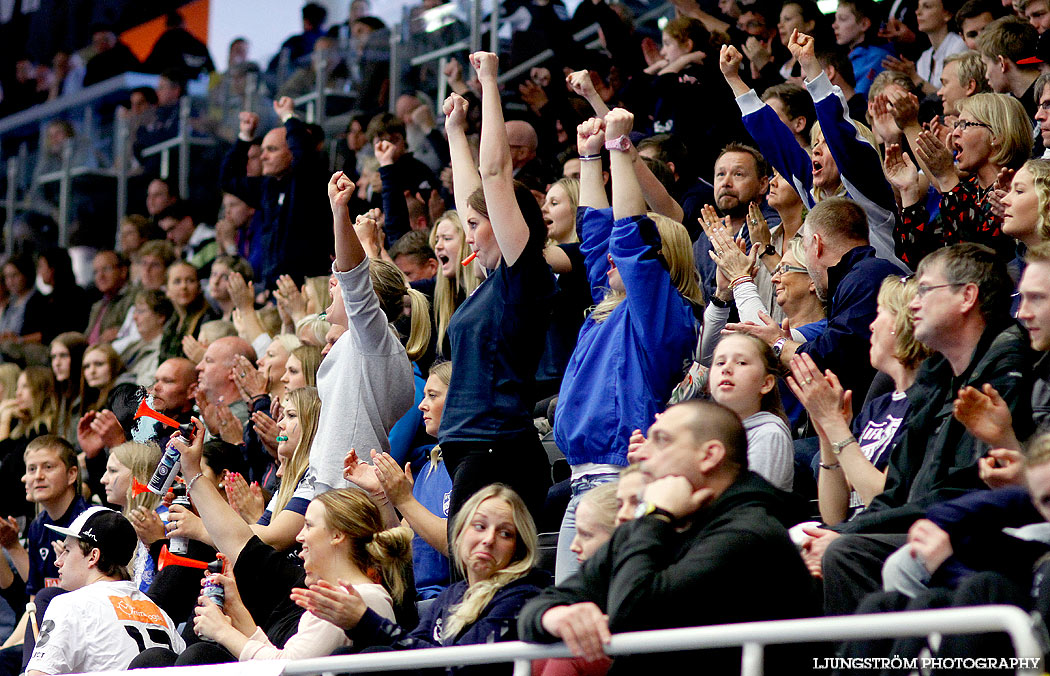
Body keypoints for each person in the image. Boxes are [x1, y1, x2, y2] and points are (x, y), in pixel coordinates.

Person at [808, 243, 1034, 616]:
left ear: (967, 296)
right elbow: (897, 488)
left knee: (847, 554)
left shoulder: (1004, 369)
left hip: (970, 532)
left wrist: (847, 534)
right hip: (924, 523)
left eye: (926, 291)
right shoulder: (936, 378)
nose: (914, 304)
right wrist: (847, 529)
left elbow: (962, 488)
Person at [518, 400, 816, 674]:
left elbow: (633, 613)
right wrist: (554, 617)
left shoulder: (752, 532)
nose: (643, 452)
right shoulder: (652, 524)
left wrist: (656, 515)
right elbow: (539, 608)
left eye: (661, 440)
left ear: (709, 455)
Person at [552, 112, 703, 582]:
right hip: (582, 484)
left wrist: (620, 147)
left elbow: (627, 240)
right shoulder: (609, 308)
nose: (612, 260)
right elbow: (598, 238)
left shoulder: (661, 318)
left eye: (634, 256)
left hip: (621, 483)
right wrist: (590, 156)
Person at [135, 417, 411, 666]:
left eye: (309, 526)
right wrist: (237, 610)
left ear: (338, 536)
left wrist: (223, 631)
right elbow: (241, 544)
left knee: (201, 657)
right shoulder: (319, 590)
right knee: (156, 659)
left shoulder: (351, 599)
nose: (299, 536)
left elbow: (285, 667)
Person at [437, 52, 556, 524]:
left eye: (476, 225)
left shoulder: (523, 276)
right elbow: (474, 193)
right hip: (473, 449)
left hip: (499, 451)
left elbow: (493, 177)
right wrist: (453, 131)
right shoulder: (489, 284)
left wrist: (489, 83)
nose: (467, 233)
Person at [293, 484, 547, 676]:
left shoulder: (521, 597)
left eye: (505, 533)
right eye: (479, 526)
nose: (489, 539)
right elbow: (416, 651)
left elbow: (458, 666)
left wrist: (364, 621)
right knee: (347, 657)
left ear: (519, 547)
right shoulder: (455, 593)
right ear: (459, 533)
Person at [307, 174, 428, 496]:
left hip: (349, 491)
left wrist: (340, 212)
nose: (333, 282)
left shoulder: (375, 344)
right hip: (328, 484)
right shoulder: (367, 345)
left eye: (340, 281)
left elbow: (355, 278)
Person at [728, 198, 902, 418]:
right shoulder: (861, 276)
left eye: (806, 247)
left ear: (817, 244)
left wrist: (778, 343)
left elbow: (832, 356)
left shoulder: (864, 277)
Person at [790, 276, 932, 526]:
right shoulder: (879, 406)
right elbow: (834, 515)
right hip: (851, 537)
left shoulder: (926, 404)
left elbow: (884, 500)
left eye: (880, 313)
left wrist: (835, 426)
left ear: (904, 324)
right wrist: (827, 435)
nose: (872, 325)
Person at [23, 507, 184, 675]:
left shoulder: (70, 605)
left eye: (67, 551)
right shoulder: (160, 614)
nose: (58, 561)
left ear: (93, 557)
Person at [345, 361, 455, 601]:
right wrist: (382, 495)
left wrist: (404, 499)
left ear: (458, 399)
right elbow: (401, 546)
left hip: (450, 600)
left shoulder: (467, 468)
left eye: (432, 396)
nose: (422, 405)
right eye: (424, 395)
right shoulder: (429, 467)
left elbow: (459, 546)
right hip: (415, 600)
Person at [888, 93, 1032, 265]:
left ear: (997, 134)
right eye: (956, 125)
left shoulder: (1020, 190)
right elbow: (916, 260)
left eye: (964, 125)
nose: (954, 133)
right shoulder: (968, 189)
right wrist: (908, 191)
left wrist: (947, 176)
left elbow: (973, 260)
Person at [220, 97, 334, 289]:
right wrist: (245, 137)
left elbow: (304, 154)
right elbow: (228, 179)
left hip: (310, 287)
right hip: (275, 290)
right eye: (263, 150)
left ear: (292, 153)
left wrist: (289, 117)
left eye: (271, 150)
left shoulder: (308, 181)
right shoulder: (268, 187)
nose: (263, 157)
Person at [709, 332, 794, 491]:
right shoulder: (701, 433)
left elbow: (749, 501)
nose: (726, 368)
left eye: (741, 362)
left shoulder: (769, 434)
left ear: (766, 383)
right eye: (720, 363)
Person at [99, 442, 162, 591]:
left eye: (113, 471)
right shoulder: (122, 520)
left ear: (139, 475)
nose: (103, 479)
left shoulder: (165, 522)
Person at [429, 211, 478, 357]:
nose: (438, 246)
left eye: (447, 238)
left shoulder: (488, 289)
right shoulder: (438, 294)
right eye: (437, 240)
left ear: (467, 243)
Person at [160, 261, 221, 362]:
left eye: (190, 281)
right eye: (177, 281)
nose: (183, 286)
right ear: (167, 290)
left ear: (199, 287)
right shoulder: (171, 322)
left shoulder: (209, 319)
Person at [84, 251, 132, 345]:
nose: (100, 276)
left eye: (106, 269)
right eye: (96, 272)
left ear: (123, 271)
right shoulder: (97, 306)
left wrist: (120, 332)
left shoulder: (133, 299)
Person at [49, 332, 87, 441]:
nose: (56, 363)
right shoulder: (62, 396)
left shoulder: (92, 396)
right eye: (53, 357)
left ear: (78, 357)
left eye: (63, 355)